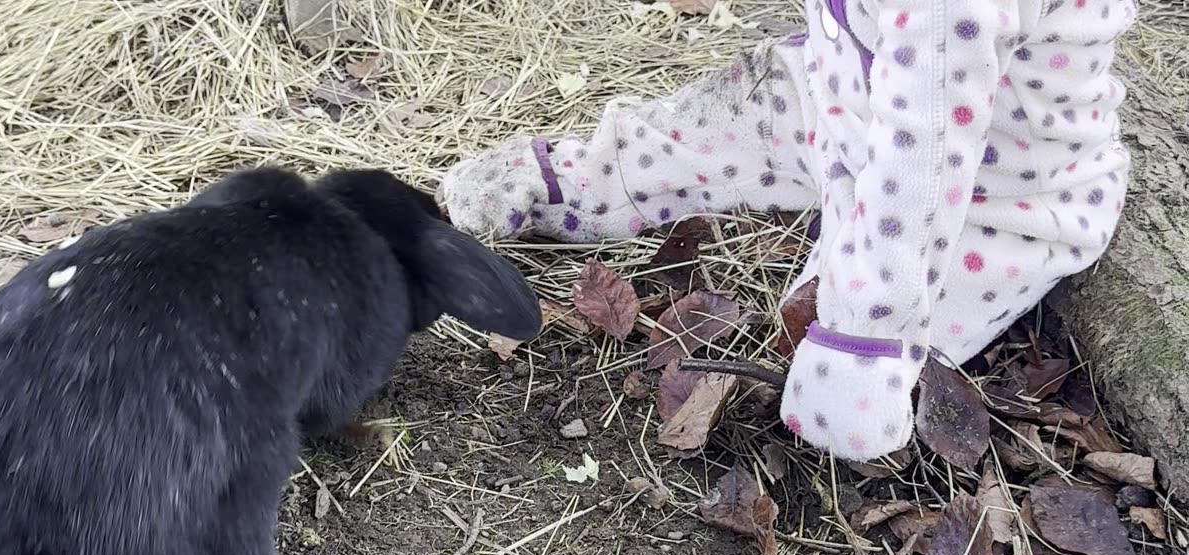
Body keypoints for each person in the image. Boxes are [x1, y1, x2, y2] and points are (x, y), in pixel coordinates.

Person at [438, 0, 1137, 462]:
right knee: (731, 109)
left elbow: (921, 164)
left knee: (822, 357)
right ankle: (589, 178)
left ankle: (850, 365)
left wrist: (863, 337)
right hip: (843, 94)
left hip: (991, 192)